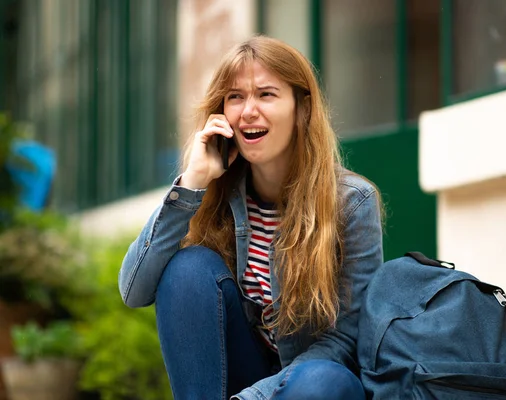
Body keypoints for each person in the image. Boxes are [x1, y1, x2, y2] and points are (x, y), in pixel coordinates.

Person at [118, 36, 384, 400]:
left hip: (311, 384)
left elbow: (348, 339)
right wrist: (192, 183)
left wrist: (255, 397)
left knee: (323, 381)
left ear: (301, 109)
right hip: (240, 376)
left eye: (266, 94)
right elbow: (134, 291)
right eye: (235, 97)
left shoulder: (352, 203)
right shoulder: (216, 192)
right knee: (188, 268)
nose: (247, 111)